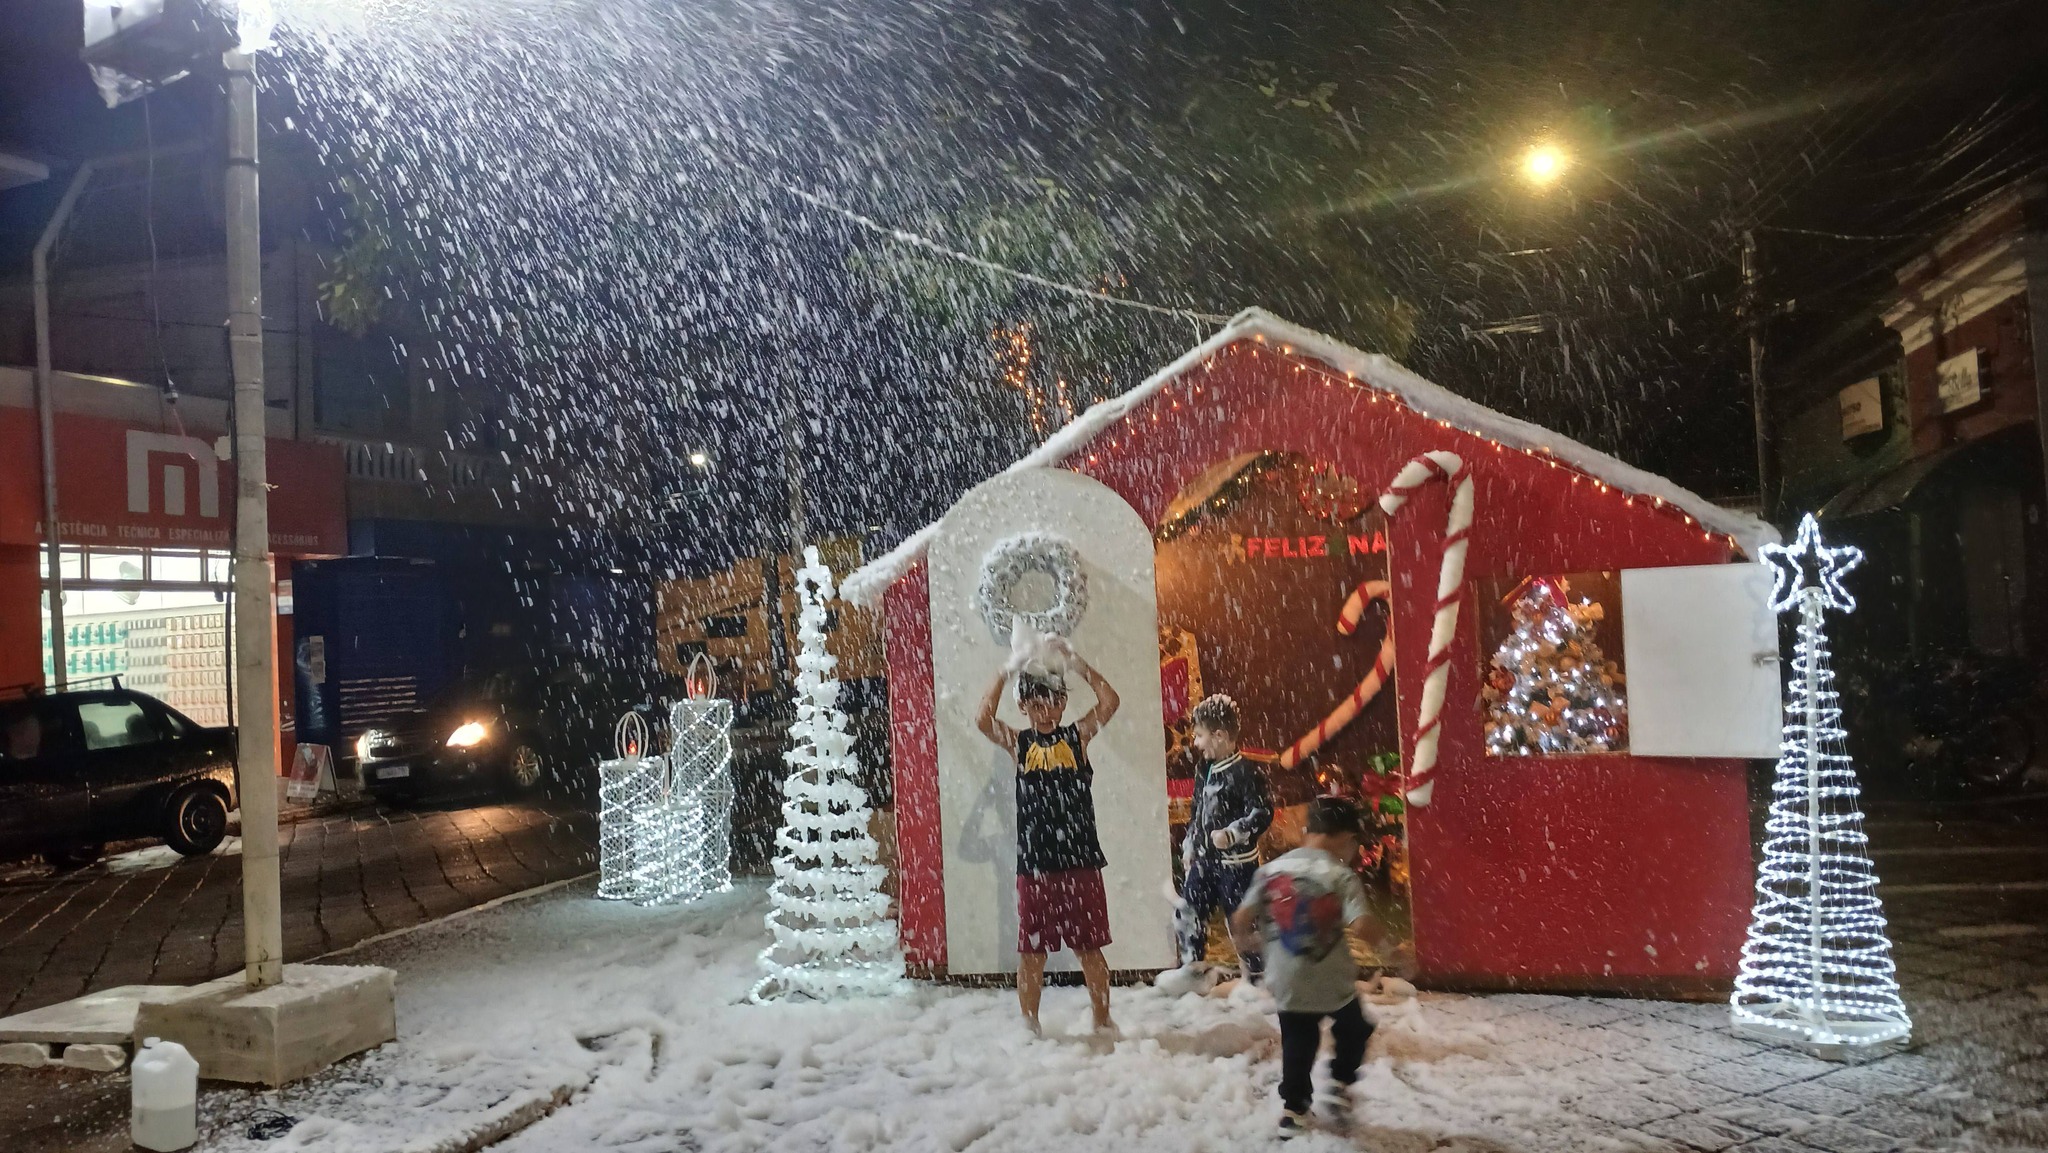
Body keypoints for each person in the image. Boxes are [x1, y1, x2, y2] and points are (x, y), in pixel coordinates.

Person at [975, 637, 1121, 1038]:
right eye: (1036, 705)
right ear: (1023, 706)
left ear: (1063, 702)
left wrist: (1077, 663)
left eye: (1053, 703)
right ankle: (1030, 1026)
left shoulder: (1078, 737)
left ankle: (1103, 1021)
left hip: (1081, 862)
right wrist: (1006, 671)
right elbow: (983, 719)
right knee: (1032, 952)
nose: (1045, 712)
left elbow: (1110, 702)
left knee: (1089, 948)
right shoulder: (1020, 744)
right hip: (1036, 865)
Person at [1230, 796, 1394, 1139]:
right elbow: (1362, 925)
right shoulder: (1339, 874)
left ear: (1309, 831)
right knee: (1355, 1028)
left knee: (1298, 1042)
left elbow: (1242, 917)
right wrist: (1391, 952)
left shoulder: (1270, 871)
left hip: (1287, 981)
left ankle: (1294, 1110)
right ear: (1347, 838)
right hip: (1332, 981)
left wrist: (1249, 943)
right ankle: (1340, 1081)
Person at [1175, 694, 1272, 976]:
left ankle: (1257, 977)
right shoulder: (1203, 770)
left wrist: (1233, 834)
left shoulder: (1247, 772)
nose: (1195, 743)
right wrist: (1190, 845)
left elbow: (1262, 812)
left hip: (1237, 866)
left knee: (1242, 923)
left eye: (1199, 736)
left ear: (1219, 735)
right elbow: (1197, 812)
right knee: (1188, 913)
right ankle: (1192, 970)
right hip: (1204, 862)